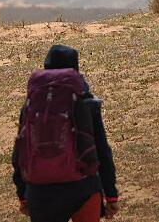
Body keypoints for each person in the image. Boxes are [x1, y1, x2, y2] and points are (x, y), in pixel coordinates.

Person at [12, 45, 120, 222]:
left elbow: (20, 152)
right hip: (83, 187)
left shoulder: (32, 105)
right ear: (75, 70)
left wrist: (23, 194)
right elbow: (101, 150)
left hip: (40, 193)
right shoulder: (85, 100)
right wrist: (111, 195)